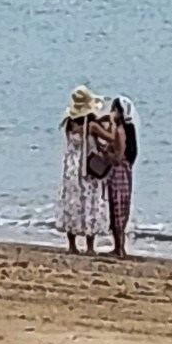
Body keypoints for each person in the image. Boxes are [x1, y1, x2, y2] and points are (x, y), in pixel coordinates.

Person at [57, 86, 113, 253]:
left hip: (71, 166)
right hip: (86, 167)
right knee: (90, 203)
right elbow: (108, 139)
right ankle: (89, 246)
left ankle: (72, 244)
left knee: (72, 203)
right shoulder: (92, 126)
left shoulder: (69, 124)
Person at [103, 94, 140, 258]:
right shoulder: (128, 130)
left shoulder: (120, 130)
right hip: (125, 171)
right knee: (121, 207)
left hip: (118, 171)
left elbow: (118, 157)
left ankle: (119, 247)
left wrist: (106, 155)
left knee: (116, 206)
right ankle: (120, 247)